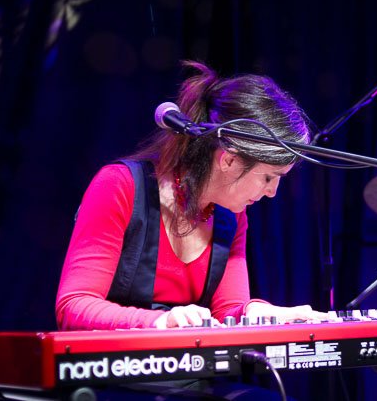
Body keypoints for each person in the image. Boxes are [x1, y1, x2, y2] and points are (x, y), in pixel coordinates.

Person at [56, 60, 327, 331]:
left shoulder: (231, 215)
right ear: (229, 160)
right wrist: (160, 321)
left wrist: (256, 311)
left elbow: (228, 311)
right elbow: (74, 305)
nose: (272, 192)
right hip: (117, 357)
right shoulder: (120, 185)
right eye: (269, 177)